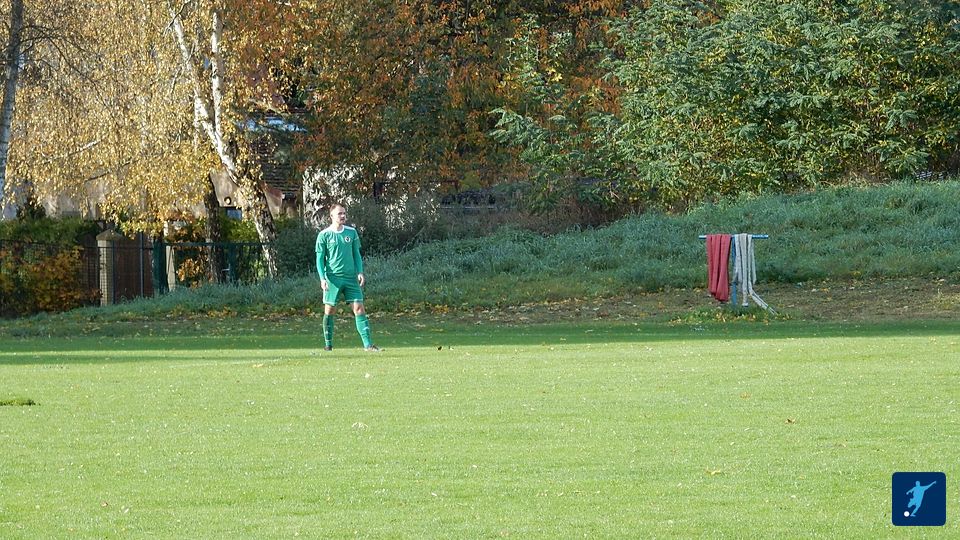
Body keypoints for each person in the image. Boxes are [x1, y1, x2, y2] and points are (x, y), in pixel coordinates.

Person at [315, 204, 380, 352]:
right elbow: (319, 259)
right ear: (331, 216)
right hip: (333, 279)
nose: (343, 216)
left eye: (344, 213)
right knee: (330, 310)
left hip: (351, 278)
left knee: (359, 308)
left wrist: (360, 272)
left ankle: (368, 345)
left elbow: (356, 254)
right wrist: (322, 279)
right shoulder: (324, 235)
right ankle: (328, 345)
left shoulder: (351, 232)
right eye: (339, 214)